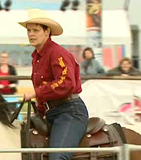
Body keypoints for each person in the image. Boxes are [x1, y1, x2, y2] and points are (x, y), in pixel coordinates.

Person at [19, 9, 89, 160]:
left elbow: (66, 83)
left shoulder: (57, 53)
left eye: (36, 30)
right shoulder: (36, 57)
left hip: (70, 112)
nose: (31, 34)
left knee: (58, 157)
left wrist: (36, 93)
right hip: (51, 113)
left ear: (47, 31)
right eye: (29, 30)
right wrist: (39, 111)